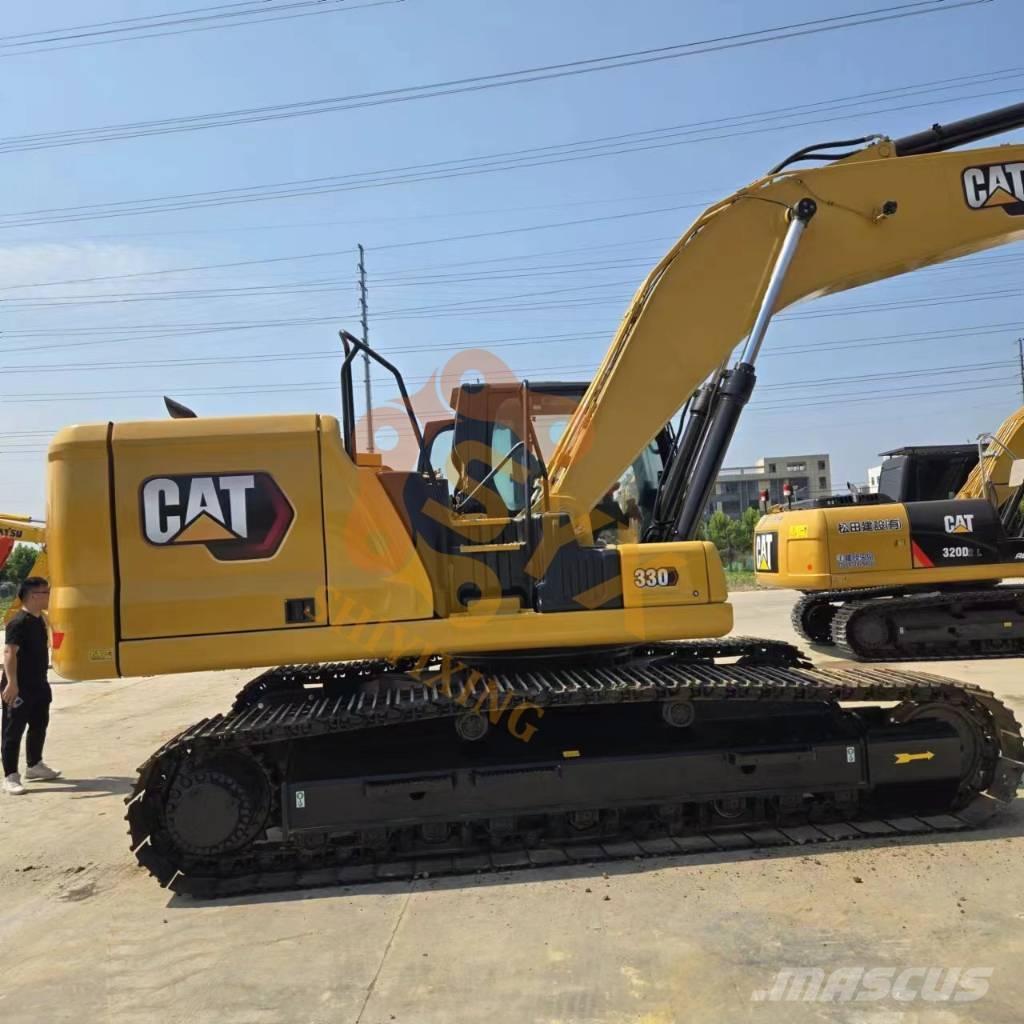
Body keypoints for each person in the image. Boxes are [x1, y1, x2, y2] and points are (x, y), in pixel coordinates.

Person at [1, 577, 60, 795]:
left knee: (39, 724)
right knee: (12, 731)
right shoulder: (18, 622)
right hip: (19, 686)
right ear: (34, 596)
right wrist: (12, 684)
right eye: (46, 592)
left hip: (39, 683)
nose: (49, 596)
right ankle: (10, 777)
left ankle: (34, 766)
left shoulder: (38, 619)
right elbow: (9, 653)